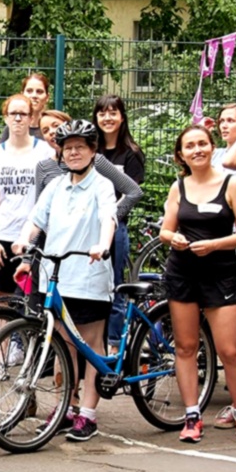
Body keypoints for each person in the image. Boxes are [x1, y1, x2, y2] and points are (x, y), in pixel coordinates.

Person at [12, 119, 117, 441]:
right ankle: (65, 409)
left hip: (88, 275)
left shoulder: (102, 185)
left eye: (80, 147)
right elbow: (36, 220)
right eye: (68, 147)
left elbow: (107, 219)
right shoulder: (56, 185)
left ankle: (88, 414)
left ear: (92, 151)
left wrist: (102, 245)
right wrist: (22, 240)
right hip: (55, 277)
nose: (73, 153)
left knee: (90, 344)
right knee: (63, 346)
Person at [160, 125, 236, 443]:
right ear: (181, 154)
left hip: (221, 274)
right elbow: (166, 229)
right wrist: (172, 238)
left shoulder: (232, 183)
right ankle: (192, 416)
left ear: (212, 147)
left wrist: (215, 245)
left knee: (230, 350)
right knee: (187, 347)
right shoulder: (179, 187)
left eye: (202, 143)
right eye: (190, 146)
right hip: (182, 273)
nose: (197, 149)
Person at [93, 94, 146, 351]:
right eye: (102, 113)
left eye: (113, 113)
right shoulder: (91, 150)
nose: (107, 118)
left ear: (122, 117)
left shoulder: (131, 153)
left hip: (116, 229)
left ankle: (115, 346)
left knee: (114, 287)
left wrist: (111, 218)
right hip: (87, 228)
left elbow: (133, 193)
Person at [0, 93, 53, 298]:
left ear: (31, 118)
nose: (17, 118)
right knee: (1, 298)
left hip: (33, 236)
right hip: (4, 235)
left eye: (22, 114)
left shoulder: (43, 151)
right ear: (5, 117)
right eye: (13, 113)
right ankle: (3, 332)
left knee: (30, 298)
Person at [0, 72, 52, 143]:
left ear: (47, 97)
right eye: (29, 91)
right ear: (22, 94)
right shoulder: (12, 127)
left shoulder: (52, 127)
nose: (34, 95)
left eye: (39, 91)